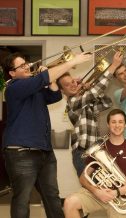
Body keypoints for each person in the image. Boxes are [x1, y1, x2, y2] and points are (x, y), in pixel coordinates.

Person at [2, 51, 91, 218]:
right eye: (21, 66)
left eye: (26, 63)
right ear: (12, 73)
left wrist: (51, 79)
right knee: (22, 199)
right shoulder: (14, 87)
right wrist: (72, 62)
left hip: (45, 151)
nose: (27, 66)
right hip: (21, 151)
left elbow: (54, 95)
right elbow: (42, 79)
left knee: (52, 198)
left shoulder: (34, 90)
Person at [63, 108, 126, 218]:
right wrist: (96, 191)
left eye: (120, 122)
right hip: (98, 194)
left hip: (121, 198)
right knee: (70, 203)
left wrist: (115, 193)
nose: (117, 125)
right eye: (113, 122)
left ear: (125, 125)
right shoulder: (100, 148)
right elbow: (83, 178)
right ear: (108, 124)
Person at [57, 51, 123, 177]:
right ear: (62, 91)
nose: (72, 84)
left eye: (72, 81)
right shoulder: (73, 103)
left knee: (101, 188)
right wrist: (113, 66)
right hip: (83, 153)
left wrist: (89, 88)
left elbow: (107, 103)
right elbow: (94, 92)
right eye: (67, 84)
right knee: (92, 188)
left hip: (95, 151)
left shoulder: (85, 104)